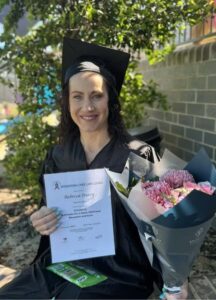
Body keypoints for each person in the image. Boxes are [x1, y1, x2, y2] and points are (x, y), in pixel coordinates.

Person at [0, 38, 188, 299]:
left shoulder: (137, 156)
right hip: (65, 265)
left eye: (96, 96)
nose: (87, 107)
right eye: (77, 97)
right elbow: (52, 211)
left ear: (110, 99)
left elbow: (169, 226)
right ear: (67, 102)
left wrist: (177, 281)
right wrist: (42, 219)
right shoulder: (59, 156)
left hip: (121, 273)